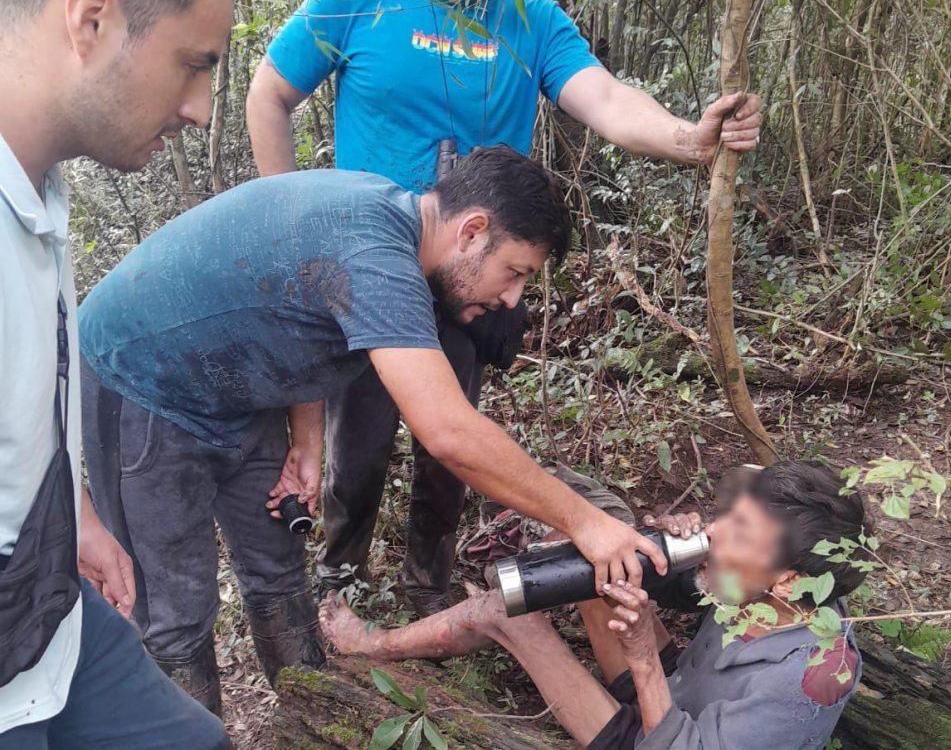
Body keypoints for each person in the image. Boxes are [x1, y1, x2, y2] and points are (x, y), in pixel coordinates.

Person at [246, 0, 764, 615]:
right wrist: (289, 227)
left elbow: (610, 101)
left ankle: (428, 586)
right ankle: (339, 575)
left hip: (470, 275)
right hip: (371, 265)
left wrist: (692, 138)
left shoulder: (532, 21)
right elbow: (268, 94)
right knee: (357, 440)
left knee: (450, 447)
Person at [78, 146, 671, 716]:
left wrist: (307, 441)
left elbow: (298, 318)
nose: (512, 297)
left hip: (239, 387)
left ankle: (308, 720)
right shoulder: (376, 250)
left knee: (278, 570)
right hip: (142, 383)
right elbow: (448, 431)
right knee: (176, 615)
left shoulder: (393, 236)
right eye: (513, 272)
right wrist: (586, 521)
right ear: (471, 231)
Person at [0, 0, 246, 746]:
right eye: (192, 63)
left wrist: (83, 521)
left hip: (49, 608)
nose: (200, 106)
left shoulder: (40, 190)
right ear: (91, 17)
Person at [320, 461, 871, 750]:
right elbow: (682, 592)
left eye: (740, 531)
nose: (716, 531)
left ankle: (370, 645)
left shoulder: (815, 675)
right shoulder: (786, 589)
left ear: (790, 577)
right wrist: (668, 553)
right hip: (677, 694)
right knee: (601, 574)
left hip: (663, 742)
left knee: (502, 616)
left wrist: (644, 659)